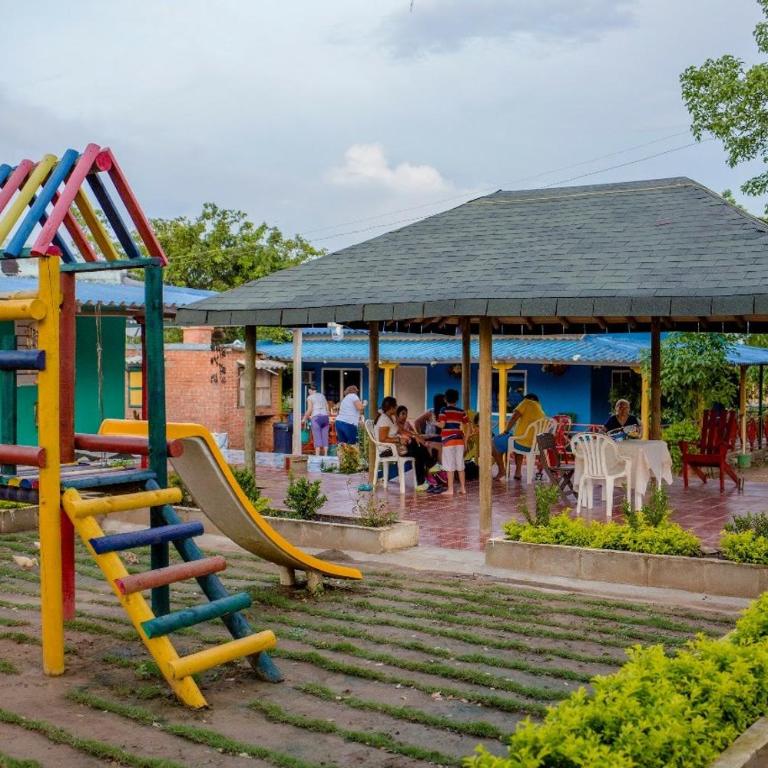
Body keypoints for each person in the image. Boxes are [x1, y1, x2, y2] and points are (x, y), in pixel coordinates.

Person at [375, 397, 429, 491]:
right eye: (395, 406)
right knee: (417, 450)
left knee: (417, 447)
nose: (396, 407)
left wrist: (415, 436)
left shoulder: (390, 417)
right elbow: (382, 439)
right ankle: (426, 471)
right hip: (387, 450)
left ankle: (423, 479)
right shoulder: (384, 419)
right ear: (391, 408)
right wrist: (399, 440)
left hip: (395, 447)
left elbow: (401, 430)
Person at [493, 393, 546, 481]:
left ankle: (502, 470)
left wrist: (505, 431)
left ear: (528, 399)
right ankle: (518, 473)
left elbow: (514, 417)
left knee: (494, 443)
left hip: (521, 442)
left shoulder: (527, 402)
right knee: (515, 443)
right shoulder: (541, 411)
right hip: (534, 446)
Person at [437, 388, 468, 495]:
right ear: (457, 400)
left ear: (445, 399)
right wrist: (466, 440)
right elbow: (468, 426)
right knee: (460, 465)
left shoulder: (443, 410)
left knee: (449, 466)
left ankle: (450, 489)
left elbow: (442, 425)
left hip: (448, 441)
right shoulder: (461, 411)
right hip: (459, 441)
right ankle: (463, 488)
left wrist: (433, 422)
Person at [302, 384, 329, 456]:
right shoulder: (322, 396)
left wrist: (304, 418)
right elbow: (327, 407)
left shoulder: (310, 397)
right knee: (325, 436)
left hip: (316, 418)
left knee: (317, 436)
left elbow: (310, 409)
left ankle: (317, 455)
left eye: (308, 390)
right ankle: (325, 455)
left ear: (310, 390)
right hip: (325, 418)